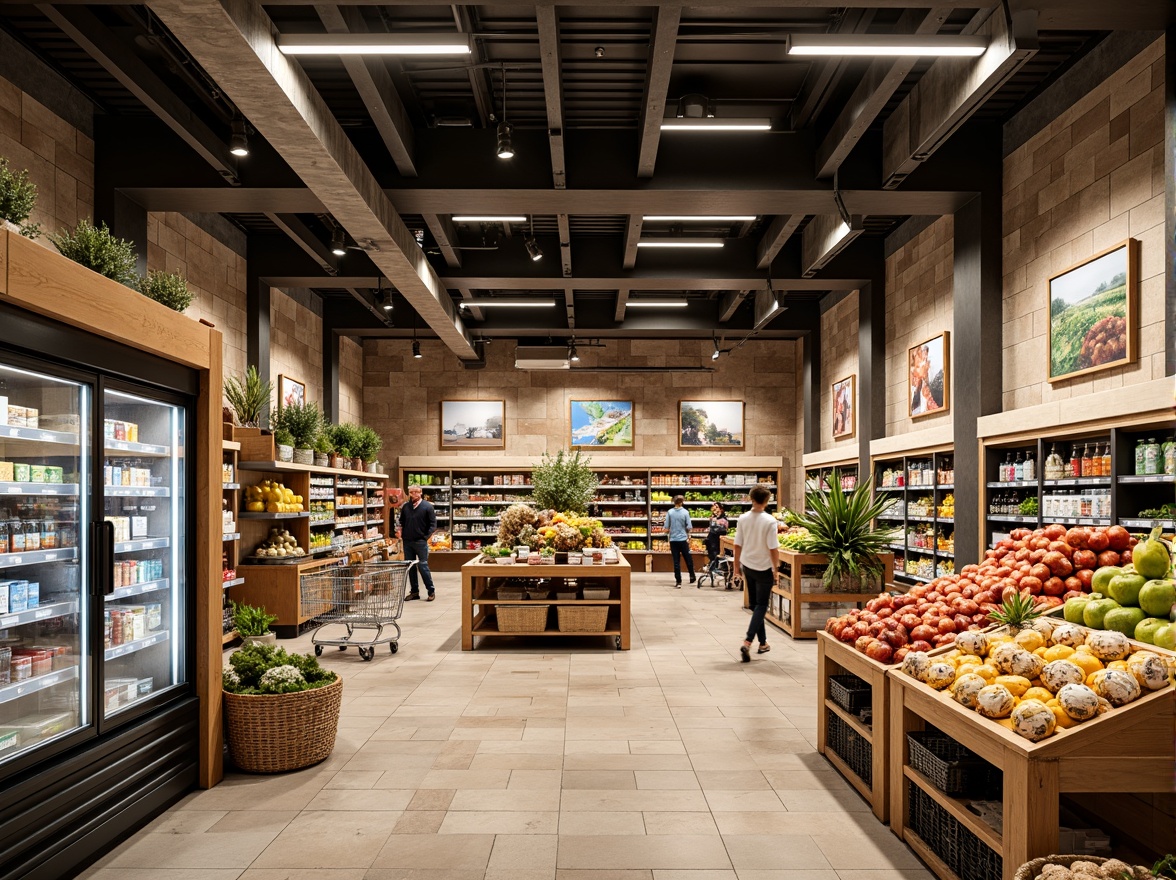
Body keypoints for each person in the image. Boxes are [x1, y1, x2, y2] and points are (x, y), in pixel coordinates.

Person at [732, 484, 780, 661]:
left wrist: (736, 568)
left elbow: (737, 545)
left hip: (748, 566)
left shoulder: (743, 518)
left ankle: (763, 643)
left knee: (754, 605)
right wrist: (776, 569)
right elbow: (773, 548)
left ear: (751, 498)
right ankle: (748, 641)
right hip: (764, 567)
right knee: (761, 606)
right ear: (767, 501)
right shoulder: (770, 521)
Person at [398, 484, 437, 601]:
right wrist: (400, 533)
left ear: (421, 493)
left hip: (420, 542)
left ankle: (431, 591)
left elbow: (433, 524)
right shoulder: (406, 507)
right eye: (411, 492)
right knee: (411, 566)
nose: (414, 494)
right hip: (408, 541)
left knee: (423, 565)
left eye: (416, 492)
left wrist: (425, 537)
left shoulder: (427, 507)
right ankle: (414, 592)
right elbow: (401, 522)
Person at [665, 494, 695, 587]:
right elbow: (689, 526)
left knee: (676, 561)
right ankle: (692, 576)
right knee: (688, 559)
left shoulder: (670, 512)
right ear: (682, 502)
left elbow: (666, 528)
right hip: (683, 539)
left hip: (673, 540)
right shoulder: (685, 512)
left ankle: (678, 581)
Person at [702, 501, 729, 587]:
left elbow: (722, 530)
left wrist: (716, 523)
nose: (714, 509)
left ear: (721, 509)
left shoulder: (724, 520)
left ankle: (720, 571)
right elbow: (712, 529)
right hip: (711, 540)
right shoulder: (713, 518)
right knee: (712, 556)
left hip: (719, 541)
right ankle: (712, 571)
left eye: (716, 507)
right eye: (713, 507)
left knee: (719, 556)